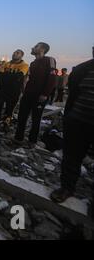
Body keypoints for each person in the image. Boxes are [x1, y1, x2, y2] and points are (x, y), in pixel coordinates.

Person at [50, 47, 94, 203]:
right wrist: (68, 118)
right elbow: (73, 96)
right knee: (71, 158)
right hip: (78, 122)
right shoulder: (83, 70)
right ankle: (66, 188)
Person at [14, 43, 57, 145]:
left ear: (42, 49)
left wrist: (45, 94)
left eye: (36, 46)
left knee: (36, 119)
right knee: (21, 117)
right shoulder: (33, 64)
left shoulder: (49, 60)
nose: (32, 47)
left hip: (39, 96)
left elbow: (52, 78)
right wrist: (24, 91)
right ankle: (18, 138)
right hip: (28, 94)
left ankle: (32, 141)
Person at [0, 49, 29, 124]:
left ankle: (6, 124)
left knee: (9, 109)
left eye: (17, 53)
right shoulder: (6, 64)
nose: (14, 54)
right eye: (14, 52)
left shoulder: (24, 65)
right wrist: (12, 77)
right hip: (3, 89)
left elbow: (19, 76)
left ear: (21, 56)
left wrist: (6, 75)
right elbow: (0, 75)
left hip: (14, 91)